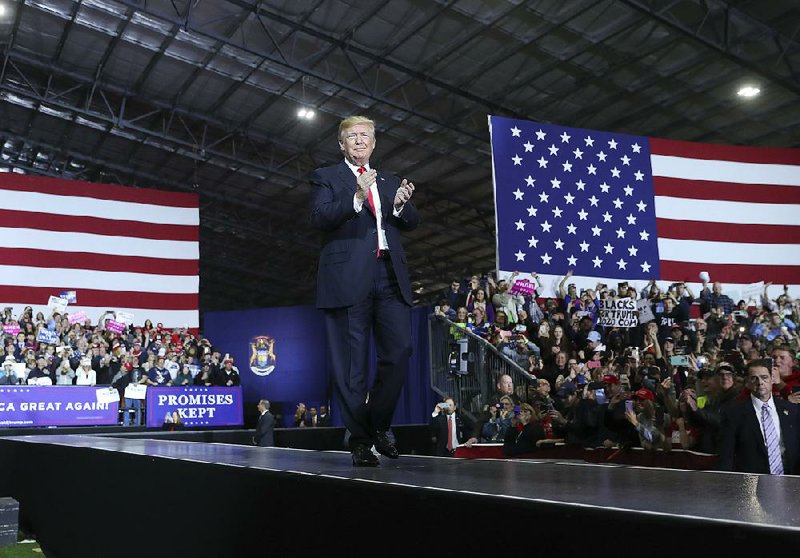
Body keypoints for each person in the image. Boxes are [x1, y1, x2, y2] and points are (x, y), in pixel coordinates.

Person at [309, 115, 419, 467]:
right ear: (341, 144)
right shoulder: (326, 176)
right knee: (352, 367)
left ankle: (378, 423)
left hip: (389, 275)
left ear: (374, 143)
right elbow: (319, 217)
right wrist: (356, 196)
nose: (359, 140)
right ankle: (359, 441)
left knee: (400, 351)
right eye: (352, 136)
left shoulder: (387, 179)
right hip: (347, 280)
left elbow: (411, 221)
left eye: (365, 135)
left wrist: (400, 203)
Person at [718, 359, 800, 475]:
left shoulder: (792, 410)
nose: (760, 382)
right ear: (747, 382)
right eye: (754, 378)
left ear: (772, 379)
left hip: (790, 479)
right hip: (752, 482)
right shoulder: (733, 413)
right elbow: (726, 455)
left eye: (764, 377)